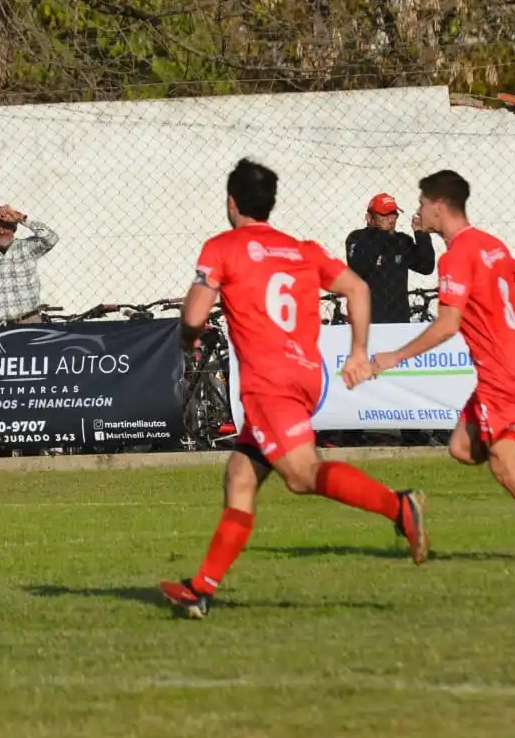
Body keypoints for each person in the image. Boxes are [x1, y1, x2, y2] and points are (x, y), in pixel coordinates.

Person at [160, 160, 427, 619]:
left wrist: (188, 339)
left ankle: (399, 506)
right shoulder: (299, 249)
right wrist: (358, 350)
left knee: (303, 474)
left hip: (269, 382)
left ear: (231, 202)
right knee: (241, 477)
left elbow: (193, 318)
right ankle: (201, 588)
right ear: (271, 204)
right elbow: (358, 289)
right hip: (306, 374)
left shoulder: (224, 248)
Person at [368, 170, 515, 560]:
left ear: (438, 206)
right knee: (464, 448)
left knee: (504, 464)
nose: (417, 212)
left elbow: (448, 324)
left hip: (501, 371)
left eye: (421, 204)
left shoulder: (455, 256)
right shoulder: (490, 244)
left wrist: (393, 357)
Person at [345, 193, 436, 323]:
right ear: (369, 218)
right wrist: (382, 233)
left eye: (393, 214)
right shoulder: (357, 238)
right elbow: (359, 268)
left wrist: (421, 234)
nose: (391, 219)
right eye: (384, 215)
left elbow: (426, 267)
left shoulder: (401, 241)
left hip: (399, 322)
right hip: (366, 322)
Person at [0, 206, 58, 324]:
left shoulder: (27, 248)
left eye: (6, 226)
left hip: (30, 322)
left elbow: (51, 238)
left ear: (14, 228)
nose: (2, 231)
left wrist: (22, 219)